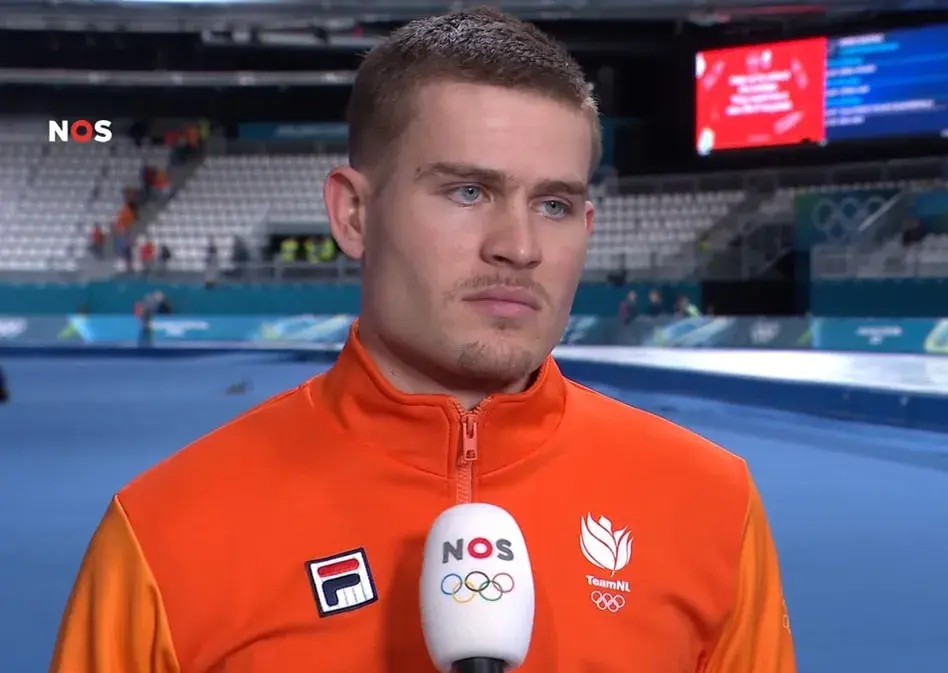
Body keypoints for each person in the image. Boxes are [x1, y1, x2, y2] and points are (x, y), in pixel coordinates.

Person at [50, 8, 795, 673]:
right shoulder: (163, 534)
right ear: (353, 216)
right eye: (468, 191)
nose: (519, 246)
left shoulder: (712, 504)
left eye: (554, 204)